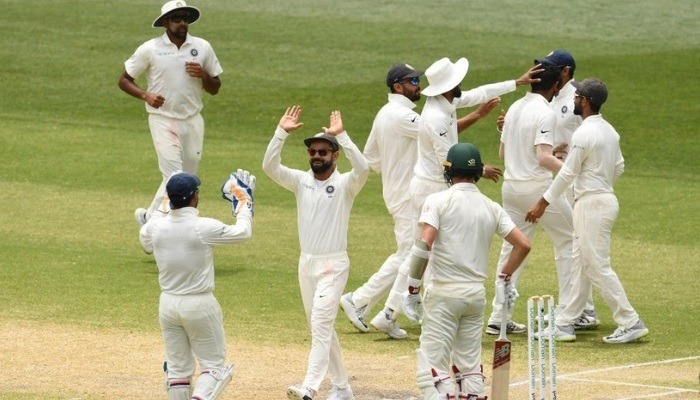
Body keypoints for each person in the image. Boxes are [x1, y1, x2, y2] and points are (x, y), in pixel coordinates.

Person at [375, 57, 541, 337]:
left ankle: (389, 313)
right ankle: (397, 312)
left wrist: (517, 82)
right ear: (449, 85)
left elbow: (479, 94)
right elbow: (448, 161)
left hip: (434, 185)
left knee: (421, 251)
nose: (461, 85)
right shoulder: (437, 117)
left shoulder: (446, 101)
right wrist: (479, 168)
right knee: (427, 252)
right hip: (431, 188)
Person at [402, 143, 530, 399]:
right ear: (477, 173)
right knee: (468, 368)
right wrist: (504, 278)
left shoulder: (438, 200)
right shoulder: (491, 206)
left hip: (444, 296)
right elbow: (523, 245)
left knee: (431, 370)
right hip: (475, 297)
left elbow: (424, 243)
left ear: (450, 171)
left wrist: (413, 288)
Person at [526, 78, 649, 344]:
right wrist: (597, 182)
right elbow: (619, 167)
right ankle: (564, 323)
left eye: (577, 96)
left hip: (592, 205)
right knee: (581, 263)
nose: (573, 98)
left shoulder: (584, 134)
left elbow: (568, 172)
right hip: (601, 200)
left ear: (585, 101)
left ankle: (630, 321)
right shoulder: (610, 131)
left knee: (595, 266)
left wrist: (542, 202)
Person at [262, 106, 369, 400]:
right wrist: (280, 132)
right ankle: (343, 388)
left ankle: (309, 386)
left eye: (323, 152)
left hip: (334, 264)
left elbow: (364, 168)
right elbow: (270, 167)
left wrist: (342, 136)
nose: (316, 156)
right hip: (306, 264)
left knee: (321, 324)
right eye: (313, 152)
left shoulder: (346, 183)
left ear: (334, 155)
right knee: (321, 327)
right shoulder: (301, 181)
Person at [139, 170, 255, 400]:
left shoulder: (154, 228)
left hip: (168, 305)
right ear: (194, 197)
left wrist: (165, 201)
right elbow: (243, 232)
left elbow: (145, 237)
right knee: (214, 367)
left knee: (178, 370)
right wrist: (243, 201)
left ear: (169, 198)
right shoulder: (203, 227)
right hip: (199, 304)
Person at [484, 63, 575, 336]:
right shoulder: (545, 112)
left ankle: (499, 317)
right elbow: (542, 158)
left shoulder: (514, 108)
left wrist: (548, 151)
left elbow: (504, 153)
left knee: (512, 249)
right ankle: (568, 315)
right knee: (571, 241)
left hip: (511, 189)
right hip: (535, 189)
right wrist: (574, 169)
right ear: (555, 87)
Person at [119, 0, 223, 228]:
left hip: (193, 120)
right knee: (175, 178)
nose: (182, 23)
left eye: (185, 18)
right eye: (177, 19)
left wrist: (203, 74)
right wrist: (146, 96)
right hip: (163, 120)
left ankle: (149, 216)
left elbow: (215, 87)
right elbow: (124, 80)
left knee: (187, 178)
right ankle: (153, 231)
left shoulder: (202, 47)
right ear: (166, 23)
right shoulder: (151, 48)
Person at [339, 63, 424, 338]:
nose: (418, 84)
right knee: (412, 254)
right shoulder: (401, 116)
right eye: (413, 81)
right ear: (397, 86)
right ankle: (374, 307)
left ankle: (368, 304)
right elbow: (439, 131)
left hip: (396, 192)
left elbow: (372, 159)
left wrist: (397, 162)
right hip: (408, 195)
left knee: (407, 254)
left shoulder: (384, 113)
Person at [534, 49, 600, 327]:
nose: (542, 72)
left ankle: (581, 310)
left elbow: (592, 135)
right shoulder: (547, 99)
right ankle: (581, 308)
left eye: (549, 68)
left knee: (576, 244)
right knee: (572, 244)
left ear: (565, 71)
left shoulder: (579, 98)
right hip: (558, 178)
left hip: (574, 182)